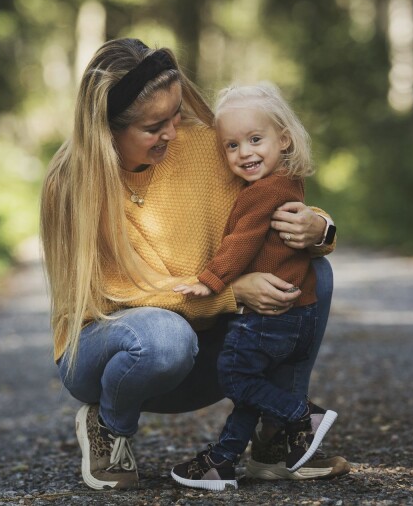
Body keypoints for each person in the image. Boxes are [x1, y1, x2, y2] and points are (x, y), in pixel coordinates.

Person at [40, 38, 344, 491]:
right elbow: (113, 294)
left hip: (203, 351)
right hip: (105, 351)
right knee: (164, 336)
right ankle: (110, 425)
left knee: (312, 273)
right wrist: (232, 293)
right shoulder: (72, 185)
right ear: (108, 129)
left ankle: (277, 437)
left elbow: (266, 200)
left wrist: (319, 227)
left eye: (177, 114)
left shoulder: (203, 146)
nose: (173, 132)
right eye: (154, 126)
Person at [168, 83, 337, 491]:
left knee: (233, 376)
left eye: (255, 140)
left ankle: (301, 414)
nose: (244, 153)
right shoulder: (285, 181)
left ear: (284, 139)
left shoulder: (264, 192)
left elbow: (241, 242)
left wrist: (211, 280)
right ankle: (223, 462)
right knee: (248, 388)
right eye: (232, 145)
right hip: (295, 312)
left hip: (269, 316)